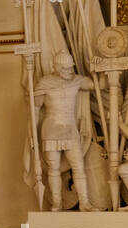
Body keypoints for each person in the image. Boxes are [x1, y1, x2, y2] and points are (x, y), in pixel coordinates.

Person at [33, 51, 95, 211]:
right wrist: (31, 129)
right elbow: (35, 107)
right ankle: (57, 204)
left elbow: (96, 85)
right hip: (51, 129)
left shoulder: (76, 80)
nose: (69, 71)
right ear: (57, 67)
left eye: (70, 68)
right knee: (53, 170)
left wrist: (98, 68)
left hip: (70, 128)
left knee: (78, 166)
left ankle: (84, 203)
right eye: (65, 68)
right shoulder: (45, 82)